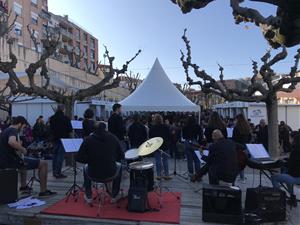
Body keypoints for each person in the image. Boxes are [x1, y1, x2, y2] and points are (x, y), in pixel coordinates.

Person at [0, 116, 56, 196]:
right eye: (23, 127)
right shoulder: (13, 130)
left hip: (5, 160)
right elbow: (11, 142)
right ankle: (43, 191)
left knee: (23, 162)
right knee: (44, 163)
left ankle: (23, 186)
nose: (23, 129)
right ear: (19, 124)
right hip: (11, 161)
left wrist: (19, 146)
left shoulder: (6, 130)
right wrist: (23, 149)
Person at [76, 122, 125, 204]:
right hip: (111, 172)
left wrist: (89, 160)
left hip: (93, 173)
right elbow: (122, 155)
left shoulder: (88, 139)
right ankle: (114, 195)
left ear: (93, 130)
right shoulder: (113, 138)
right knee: (119, 166)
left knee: (85, 167)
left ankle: (89, 196)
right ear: (106, 129)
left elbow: (78, 158)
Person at [271, 131, 300, 207]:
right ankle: (292, 197)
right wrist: (287, 159)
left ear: (294, 139)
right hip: (296, 175)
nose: (289, 139)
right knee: (285, 175)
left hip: (295, 177)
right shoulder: (295, 151)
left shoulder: (295, 151)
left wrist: (281, 161)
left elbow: (290, 165)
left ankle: (280, 197)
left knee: (274, 177)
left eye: (290, 138)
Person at [49, 104, 73, 178]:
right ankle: (58, 172)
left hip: (55, 138)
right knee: (60, 155)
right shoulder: (66, 118)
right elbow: (70, 129)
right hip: (63, 138)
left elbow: (50, 128)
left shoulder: (52, 118)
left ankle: (54, 172)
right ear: (63, 109)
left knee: (55, 155)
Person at [149, 114, 172, 180]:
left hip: (156, 145)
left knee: (157, 160)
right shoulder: (165, 126)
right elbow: (169, 135)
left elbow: (150, 137)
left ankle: (158, 175)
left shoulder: (153, 127)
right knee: (165, 160)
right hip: (165, 145)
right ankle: (166, 174)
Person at [182, 115, 203, 181]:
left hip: (187, 142)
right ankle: (198, 175)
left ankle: (191, 175)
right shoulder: (197, 126)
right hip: (194, 142)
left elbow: (183, 136)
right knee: (196, 159)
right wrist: (199, 142)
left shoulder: (185, 126)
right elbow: (201, 135)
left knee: (189, 160)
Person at [232, 114, 252, 183]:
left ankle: (241, 177)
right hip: (245, 146)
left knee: (238, 162)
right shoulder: (247, 127)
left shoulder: (236, 128)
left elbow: (234, 138)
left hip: (238, 146)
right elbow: (250, 137)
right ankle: (242, 176)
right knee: (243, 162)